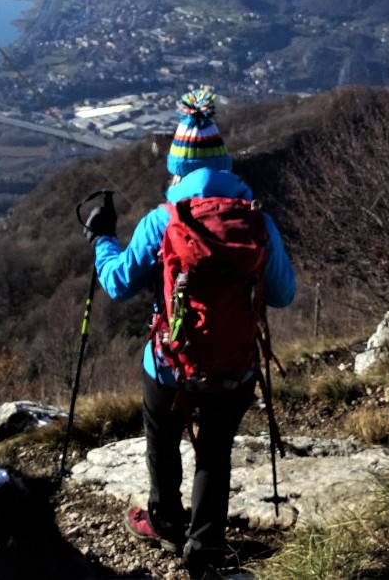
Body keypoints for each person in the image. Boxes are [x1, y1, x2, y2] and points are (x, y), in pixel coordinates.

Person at [84, 87, 295, 577]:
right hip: (235, 364)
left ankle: (165, 522)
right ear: (225, 165)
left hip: (169, 362)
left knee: (163, 438)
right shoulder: (258, 220)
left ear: (177, 168)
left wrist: (103, 240)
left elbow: (117, 283)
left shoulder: (163, 221)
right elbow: (284, 295)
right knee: (214, 452)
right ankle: (205, 547)